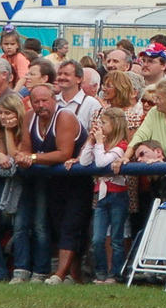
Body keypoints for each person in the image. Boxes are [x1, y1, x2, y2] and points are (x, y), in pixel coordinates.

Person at [25, 83, 85, 284]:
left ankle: (60, 274)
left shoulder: (65, 117)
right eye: (36, 101)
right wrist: (26, 156)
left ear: (54, 100)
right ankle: (73, 275)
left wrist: (33, 158)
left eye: (45, 100)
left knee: (71, 225)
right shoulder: (28, 118)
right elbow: (23, 149)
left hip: (76, 181)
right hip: (52, 182)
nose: (41, 105)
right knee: (57, 225)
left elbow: (64, 153)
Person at [81, 106, 132, 283]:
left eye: (103, 123)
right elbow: (85, 161)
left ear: (115, 124)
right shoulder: (99, 145)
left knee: (116, 238)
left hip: (117, 195)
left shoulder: (121, 146)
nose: (100, 126)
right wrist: (90, 140)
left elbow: (102, 162)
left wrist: (100, 143)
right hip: (101, 196)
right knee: (97, 238)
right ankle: (100, 272)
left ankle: (115, 274)